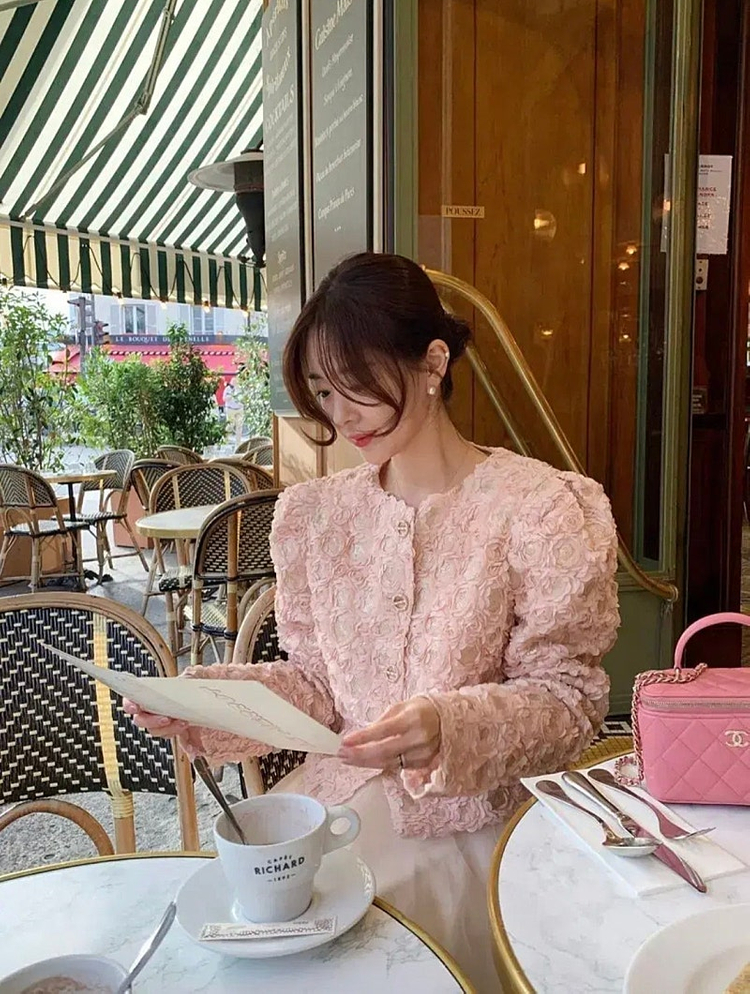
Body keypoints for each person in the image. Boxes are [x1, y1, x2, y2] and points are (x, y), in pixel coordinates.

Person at [126, 252, 620, 991]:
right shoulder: (316, 515)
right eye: (324, 390)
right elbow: (318, 687)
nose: (340, 414)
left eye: (355, 382)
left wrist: (448, 726)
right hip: (335, 806)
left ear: (433, 361)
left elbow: (569, 704)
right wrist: (211, 700)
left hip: (471, 825)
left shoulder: (542, 508)